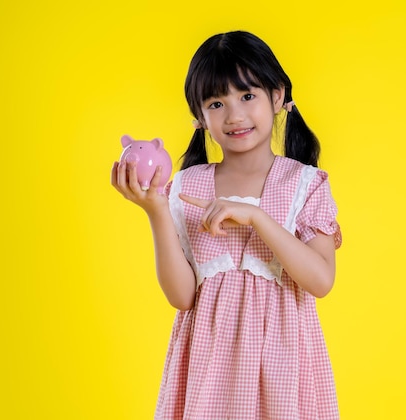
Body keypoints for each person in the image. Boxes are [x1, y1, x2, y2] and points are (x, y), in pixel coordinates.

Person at [111, 30, 342, 420]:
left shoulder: (304, 184)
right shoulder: (185, 186)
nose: (234, 115)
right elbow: (182, 296)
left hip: (282, 369)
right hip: (207, 372)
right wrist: (156, 210)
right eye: (216, 103)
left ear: (278, 96)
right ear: (199, 117)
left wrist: (256, 217)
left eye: (247, 96)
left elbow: (320, 281)